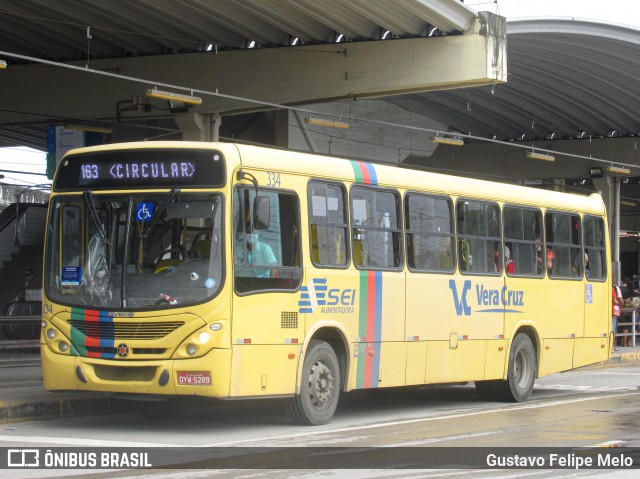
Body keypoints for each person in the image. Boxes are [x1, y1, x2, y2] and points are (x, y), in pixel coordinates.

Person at [612, 284, 624, 352]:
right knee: (613, 330)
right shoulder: (614, 288)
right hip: (613, 311)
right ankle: (612, 347)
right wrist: (620, 305)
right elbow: (617, 300)